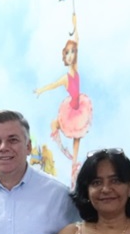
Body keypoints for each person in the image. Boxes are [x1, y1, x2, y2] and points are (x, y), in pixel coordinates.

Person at [35, 13, 93, 183]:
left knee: (77, 137)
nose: (71, 55)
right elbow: (52, 85)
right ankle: (61, 146)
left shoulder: (75, 69)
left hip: (78, 107)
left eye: (72, 53)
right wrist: (41, 90)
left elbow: (78, 42)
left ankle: (74, 163)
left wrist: (75, 24)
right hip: (71, 109)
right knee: (55, 124)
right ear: (64, 57)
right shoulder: (65, 78)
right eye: (68, 53)